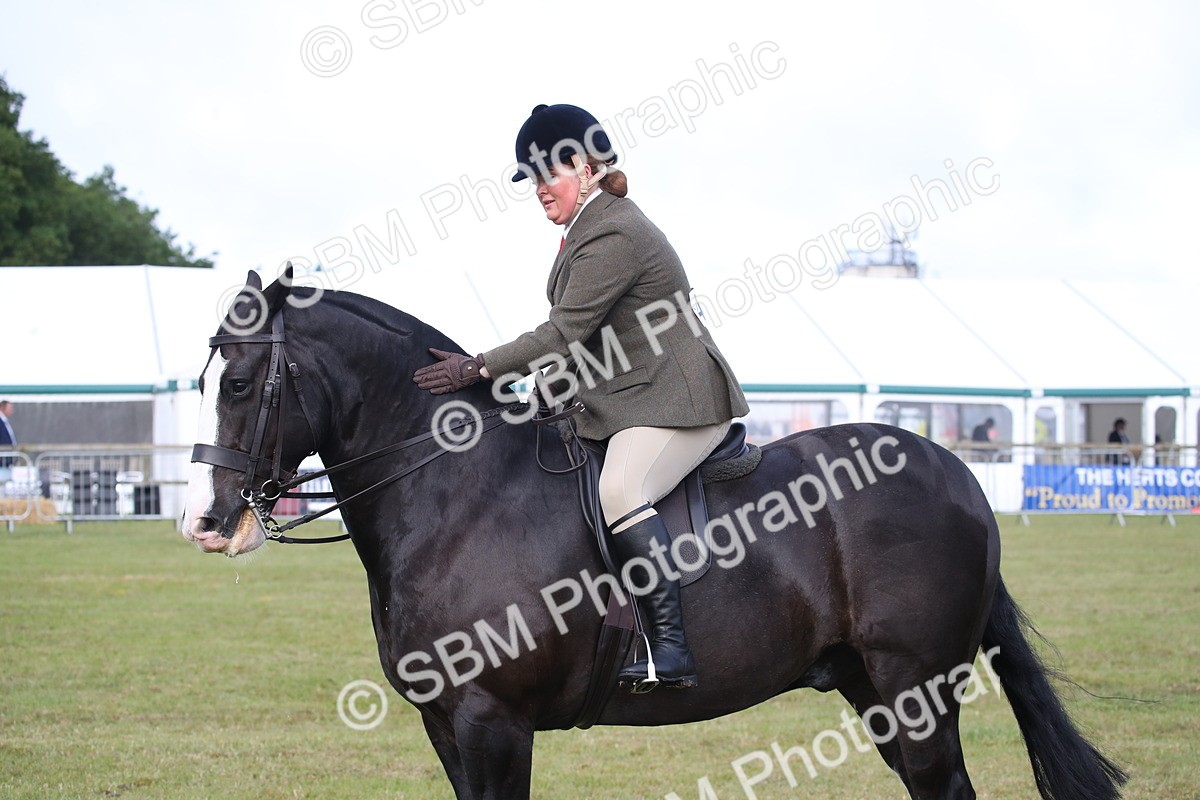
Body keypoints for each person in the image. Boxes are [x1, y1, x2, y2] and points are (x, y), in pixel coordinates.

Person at [412, 103, 748, 693]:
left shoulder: (615, 231)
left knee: (620, 488)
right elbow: (583, 346)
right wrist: (525, 393)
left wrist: (478, 366)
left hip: (681, 401)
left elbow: (561, 334)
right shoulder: (585, 231)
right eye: (533, 180)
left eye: (549, 175)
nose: (540, 190)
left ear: (586, 167)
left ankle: (671, 649)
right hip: (634, 395)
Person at [0, 400, 16, 470]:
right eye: (9, 408)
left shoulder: (5, 421)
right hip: (3, 456)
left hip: (7, 455)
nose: (11, 410)